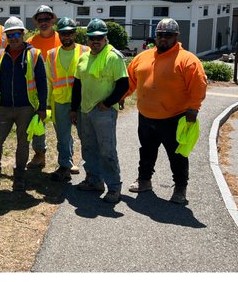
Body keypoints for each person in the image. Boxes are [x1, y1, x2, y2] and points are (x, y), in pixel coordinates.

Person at [126, 18, 207, 205]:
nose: (163, 39)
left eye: (168, 36)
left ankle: (180, 188)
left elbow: (198, 86)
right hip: (145, 117)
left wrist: (194, 109)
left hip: (175, 117)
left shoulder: (187, 60)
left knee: (177, 155)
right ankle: (144, 181)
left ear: (176, 37)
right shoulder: (143, 57)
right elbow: (131, 80)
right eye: (160, 35)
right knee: (146, 151)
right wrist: (122, 97)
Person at [0, 17, 47, 192]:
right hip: (3, 107)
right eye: (10, 35)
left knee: (23, 143)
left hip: (26, 107)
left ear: (23, 34)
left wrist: (42, 108)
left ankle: (19, 177)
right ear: (6, 37)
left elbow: (42, 82)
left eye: (17, 33)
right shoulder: (0, 55)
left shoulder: (34, 55)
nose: (14, 37)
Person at [71, 18, 130, 204]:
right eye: (91, 38)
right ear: (87, 39)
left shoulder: (113, 57)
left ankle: (114, 187)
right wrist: (74, 109)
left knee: (107, 150)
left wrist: (107, 103)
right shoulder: (84, 57)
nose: (95, 41)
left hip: (104, 112)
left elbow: (123, 85)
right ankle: (94, 181)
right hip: (85, 110)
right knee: (88, 148)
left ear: (105, 38)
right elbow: (77, 85)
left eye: (99, 37)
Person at [43, 17, 88, 182]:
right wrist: (47, 103)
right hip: (59, 101)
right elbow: (48, 80)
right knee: (63, 136)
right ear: (59, 34)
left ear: (75, 34)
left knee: (86, 135)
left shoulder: (86, 51)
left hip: (82, 102)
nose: (66, 37)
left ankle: (91, 169)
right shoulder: (52, 54)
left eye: (69, 33)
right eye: (63, 33)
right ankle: (64, 165)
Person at [26, 4, 62, 169]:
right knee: (38, 123)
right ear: (35, 22)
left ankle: (66, 160)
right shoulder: (30, 43)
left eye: (47, 19)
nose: (44, 22)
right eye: (40, 20)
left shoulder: (62, 39)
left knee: (62, 126)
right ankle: (39, 155)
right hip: (38, 91)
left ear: (53, 19)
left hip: (60, 90)